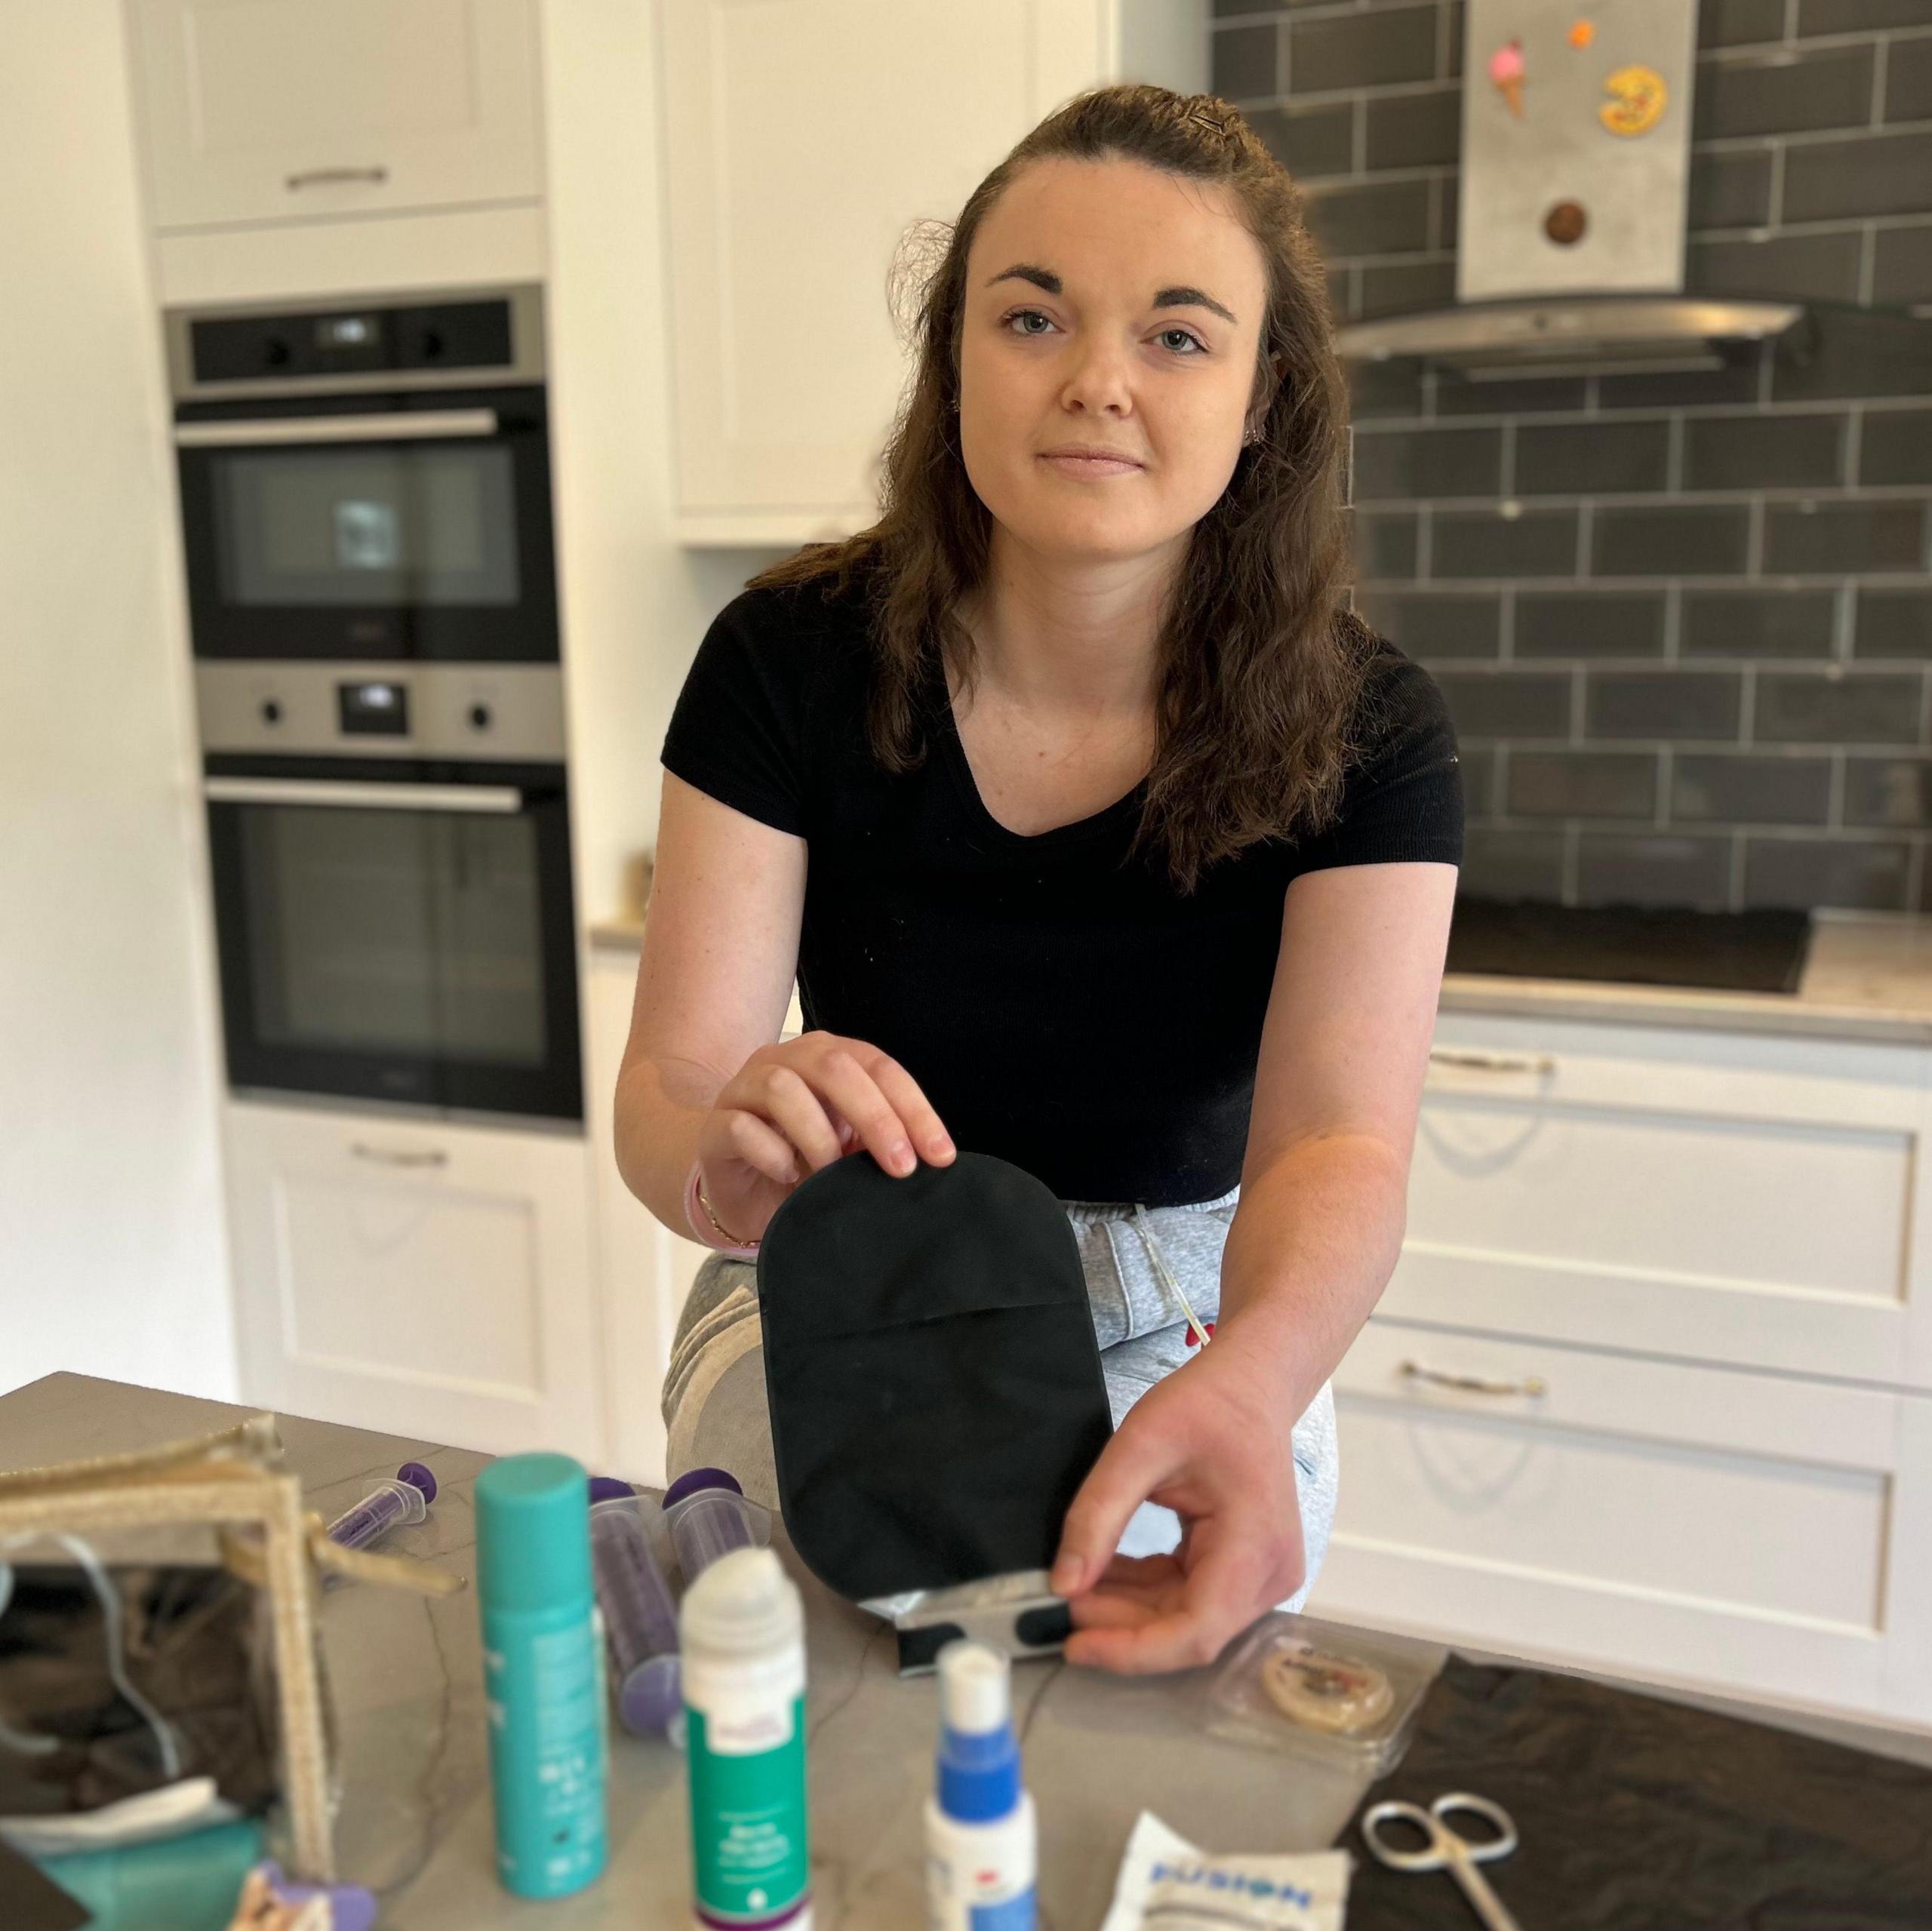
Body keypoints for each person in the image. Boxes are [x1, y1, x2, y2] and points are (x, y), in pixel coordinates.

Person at [614, 85, 1462, 1677]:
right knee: (809, 1730)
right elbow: (668, 1087)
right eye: (1030, 317)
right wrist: (725, 1158)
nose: (1095, 382)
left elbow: (1336, 1142)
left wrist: (1255, 1379)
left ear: (1263, 396)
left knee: (1116, 1772)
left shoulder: (1369, 729)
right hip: (839, 1280)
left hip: (1197, 1329)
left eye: (1177, 335)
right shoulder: (780, 662)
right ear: (953, 360)